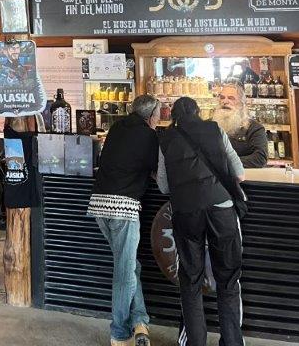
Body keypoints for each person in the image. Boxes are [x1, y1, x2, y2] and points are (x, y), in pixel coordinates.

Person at [158, 97, 246, 346]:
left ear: (173, 115)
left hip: (187, 212)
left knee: (191, 279)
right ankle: (232, 341)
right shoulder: (215, 129)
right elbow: (239, 173)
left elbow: (164, 186)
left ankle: (195, 341)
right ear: (198, 111)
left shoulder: (166, 139)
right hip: (221, 208)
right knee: (228, 277)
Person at [86, 94, 161, 346]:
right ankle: (119, 332)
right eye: (158, 114)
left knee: (129, 266)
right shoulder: (149, 136)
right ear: (151, 116)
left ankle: (139, 320)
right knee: (124, 272)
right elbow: (158, 173)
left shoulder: (117, 127)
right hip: (123, 208)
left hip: (99, 204)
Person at [213, 82, 267, 168]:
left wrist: (227, 162)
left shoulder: (254, 128)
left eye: (231, 98)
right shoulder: (208, 125)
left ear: (241, 104)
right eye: (222, 97)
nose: (225, 101)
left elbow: (260, 158)